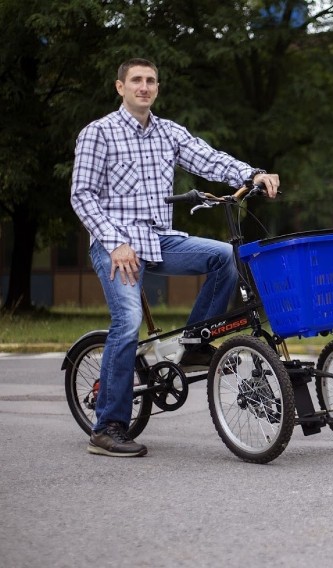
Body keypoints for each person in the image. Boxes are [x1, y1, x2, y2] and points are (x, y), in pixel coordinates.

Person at [71, 58, 279, 458]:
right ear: (120, 87)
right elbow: (82, 196)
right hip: (116, 246)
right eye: (136, 81)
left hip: (160, 240)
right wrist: (115, 241)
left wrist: (251, 173)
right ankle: (108, 426)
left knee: (225, 257)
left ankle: (195, 341)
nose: (144, 87)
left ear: (157, 87)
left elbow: (208, 158)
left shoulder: (168, 133)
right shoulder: (99, 133)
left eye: (150, 81)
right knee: (128, 321)